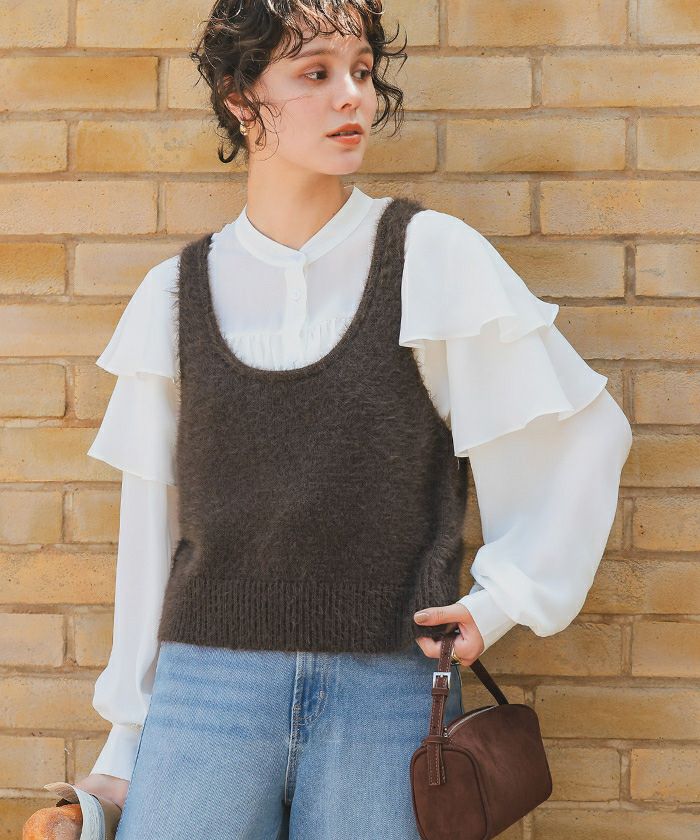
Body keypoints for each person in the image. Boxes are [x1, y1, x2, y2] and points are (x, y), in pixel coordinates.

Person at [68, 1, 633, 837]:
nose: (353, 98)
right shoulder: (173, 293)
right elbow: (149, 530)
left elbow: (582, 434)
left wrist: (503, 601)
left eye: (362, 72)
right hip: (205, 692)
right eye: (315, 73)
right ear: (239, 96)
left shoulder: (431, 257)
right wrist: (124, 739)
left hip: (387, 692)